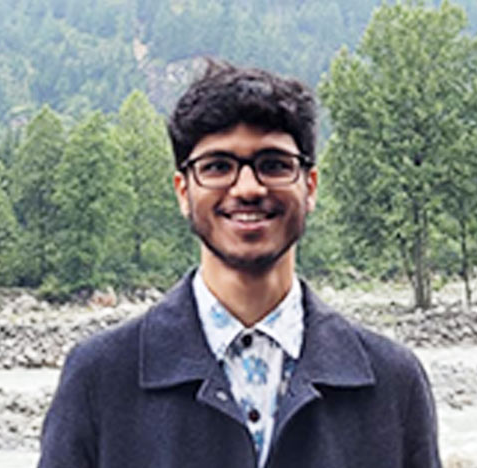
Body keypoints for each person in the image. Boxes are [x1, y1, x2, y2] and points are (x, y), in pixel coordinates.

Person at [38, 60, 441, 468]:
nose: (248, 188)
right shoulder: (101, 378)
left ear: (310, 186)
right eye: (217, 166)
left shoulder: (392, 383)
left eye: (274, 164)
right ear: (183, 191)